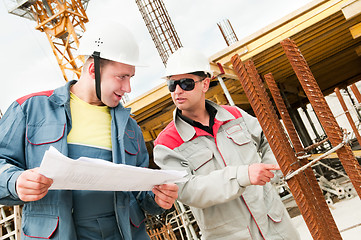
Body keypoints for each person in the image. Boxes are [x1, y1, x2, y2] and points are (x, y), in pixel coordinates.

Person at [0, 22, 178, 240]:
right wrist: (15, 182)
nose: (128, 88)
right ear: (93, 70)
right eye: (121, 77)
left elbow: (141, 194)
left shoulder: (130, 128)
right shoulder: (30, 110)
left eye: (130, 77)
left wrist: (157, 198)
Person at [153, 47, 300, 240]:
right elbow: (187, 190)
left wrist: (271, 172)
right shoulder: (167, 143)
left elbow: (272, 140)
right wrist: (242, 176)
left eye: (186, 83)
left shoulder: (234, 115)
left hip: (275, 227)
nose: (178, 91)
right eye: (172, 84)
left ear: (205, 84)